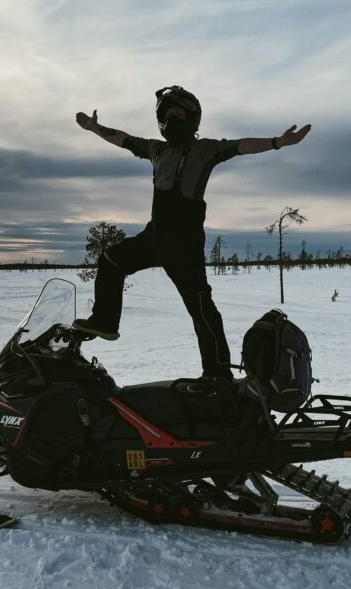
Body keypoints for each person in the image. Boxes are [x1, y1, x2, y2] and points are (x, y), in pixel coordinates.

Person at [74, 86, 311, 380]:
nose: (171, 122)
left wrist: (277, 142)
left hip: (184, 246)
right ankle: (105, 321)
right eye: (167, 116)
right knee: (111, 259)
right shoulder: (155, 150)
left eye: (178, 115)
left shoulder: (204, 150)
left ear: (192, 119)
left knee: (201, 310)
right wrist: (95, 128)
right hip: (154, 237)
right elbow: (122, 139)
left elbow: (240, 145)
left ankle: (218, 375)